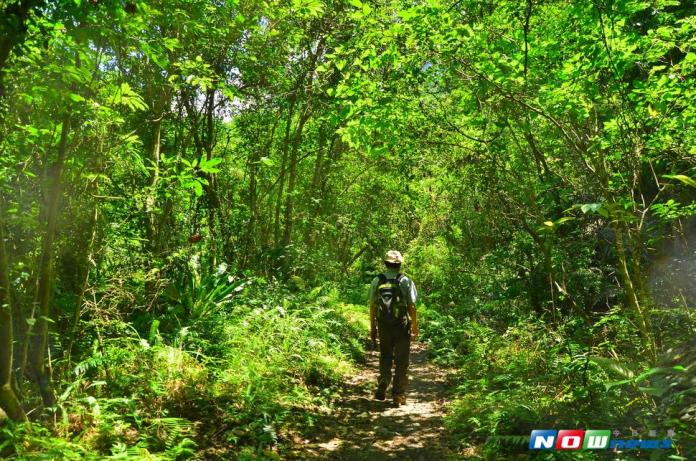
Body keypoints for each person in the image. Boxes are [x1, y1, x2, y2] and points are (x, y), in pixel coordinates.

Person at [368, 250, 418, 406]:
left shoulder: (377, 280)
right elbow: (411, 305)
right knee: (402, 360)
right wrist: (415, 325)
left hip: (383, 324)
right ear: (400, 264)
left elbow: (372, 305)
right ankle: (398, 395)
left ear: (385, 263)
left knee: (386, 355)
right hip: (401, 325)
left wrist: (373, 327)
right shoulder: (406, 281)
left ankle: (384, 380)